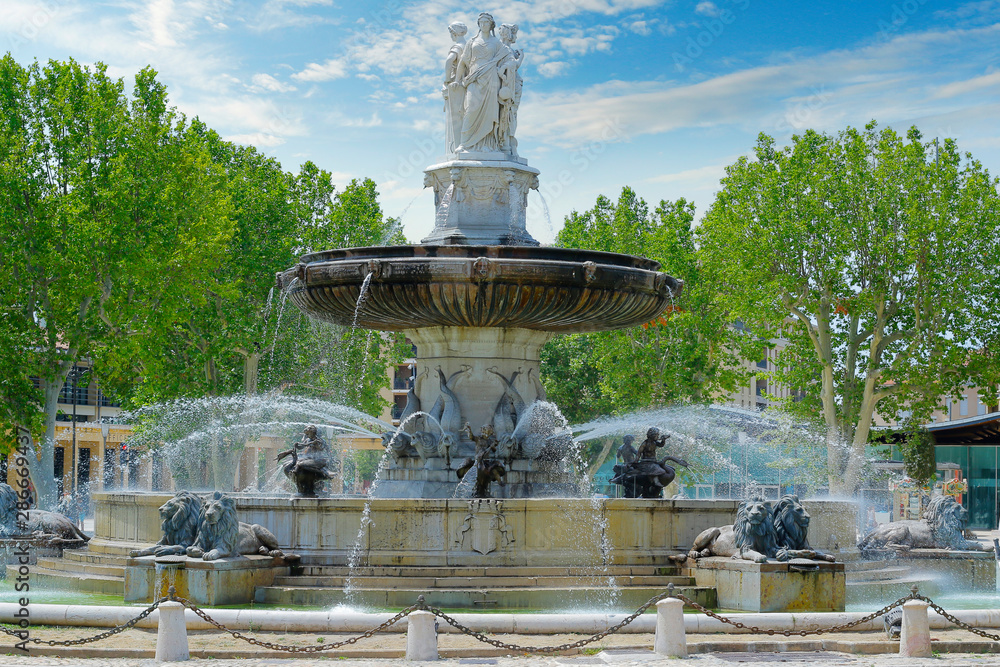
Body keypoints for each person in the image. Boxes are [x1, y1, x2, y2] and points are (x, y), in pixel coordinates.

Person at [455, 13, 507, 152]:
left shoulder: (497, 43)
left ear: (491, 25)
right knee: (470, 109)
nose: (484, 25)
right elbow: (463, 61)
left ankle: (488, 144)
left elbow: (507, 58)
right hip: (474, 78)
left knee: (489, 112)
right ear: (478, 24)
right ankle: (465, 143)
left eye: (486, 22)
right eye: (481, 22)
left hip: (491, 79)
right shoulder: (471, 42)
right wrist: (456, 80)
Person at [442, 22, 468, 153]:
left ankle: (454, 148)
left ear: (454, 33)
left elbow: (449, 61)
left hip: (455, 85)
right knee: (463, 116)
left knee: (455, 119)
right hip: (466, 85)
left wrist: (447, 79)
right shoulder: (469, 46)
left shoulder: (458, 46)